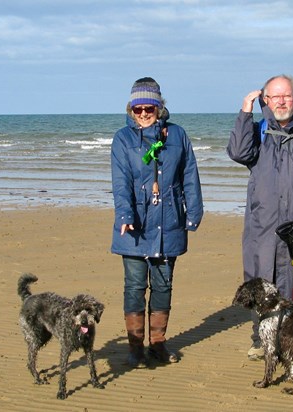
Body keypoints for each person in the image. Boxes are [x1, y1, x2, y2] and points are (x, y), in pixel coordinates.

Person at [111, 77, 203, 367]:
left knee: (163, 286)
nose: (143, 114)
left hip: (169, 220)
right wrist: (125, 215)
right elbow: (121, 181)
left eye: (148, 108)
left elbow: (189, 175)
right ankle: (136, 349)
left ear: (159, 106)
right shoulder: (122, 139)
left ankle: (158, 346)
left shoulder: (177, 135)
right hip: (134, 226)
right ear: (131, 110)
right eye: (137, 110)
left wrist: (194, 212)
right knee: (135, 286)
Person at [227, 75, 293, 360]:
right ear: (265, 100)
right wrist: (245, 111)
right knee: (263, 285)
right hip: (262, 226)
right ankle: (262, 341)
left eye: (287, 96)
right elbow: (238, 152)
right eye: (275, 96)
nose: (282, 101)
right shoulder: (258, 131)